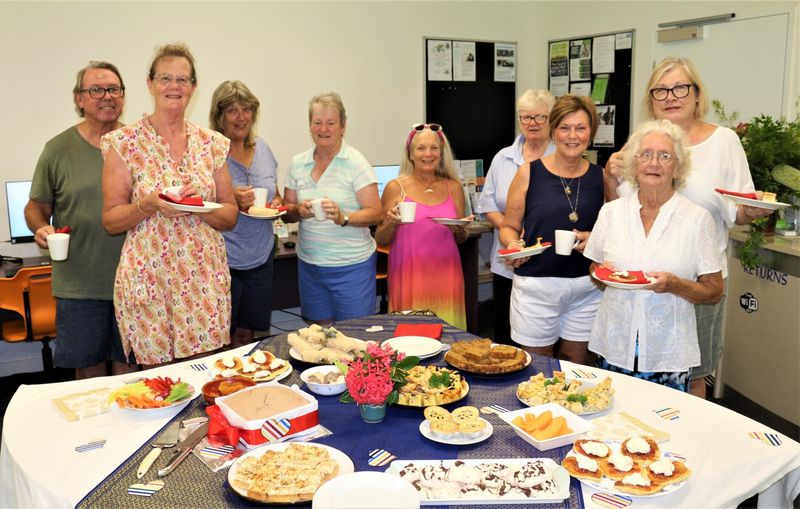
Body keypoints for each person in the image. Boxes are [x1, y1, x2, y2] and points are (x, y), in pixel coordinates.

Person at [603, 57, 772, 398]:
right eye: (661, 90)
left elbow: (737, 210)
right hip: (642, 284)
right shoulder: (642, 140)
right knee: (636, 368)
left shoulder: (723, 142)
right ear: (651, 99)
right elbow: (618, 207)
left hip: (699, 281)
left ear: (697, 94)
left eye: (680, 87)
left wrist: (752, 212)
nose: (671, 96)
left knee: (694, 374)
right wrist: (609, 175)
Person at [101, 43, 238, 366]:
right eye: (165, 78)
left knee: (204, 375)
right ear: (150, 84)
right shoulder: (124, 144)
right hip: (150, 278)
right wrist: (148, 205)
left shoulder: (212, 144)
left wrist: (201, 205)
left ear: (193, 88)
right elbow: (110, 220)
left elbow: (230, 213)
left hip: (202, 279)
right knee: (158, 383)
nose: (174, 86)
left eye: (182, 79)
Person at [585, 120, 723, 391]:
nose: (654, 163)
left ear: (678, 167)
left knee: (664, 427)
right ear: (634, 164)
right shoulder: (611, 213)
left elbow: (714, 290)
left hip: (668, 352)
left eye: (665, 156)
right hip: (615, 344)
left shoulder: (697, 219)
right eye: (646, 154)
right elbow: (595, 270)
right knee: (613, 422)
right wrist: (603, 274)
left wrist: (675, 285)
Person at [25, 61, 137, 379]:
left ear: (123, 96)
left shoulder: (139, 146)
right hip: (79, 286)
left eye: (114, 89)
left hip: (134, 282)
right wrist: (40, 227)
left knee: (131, 372)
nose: (107, 96)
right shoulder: (58, 150)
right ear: (79, 99)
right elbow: (35, 206)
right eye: (96, 89)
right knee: (88, 376)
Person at [498, 95, 604, 365]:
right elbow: (510, 226)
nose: (572, 136)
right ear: (553, 132)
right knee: (537, 365)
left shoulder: (601, 177)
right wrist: (513, 246)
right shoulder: (528, 173)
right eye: (564, 128)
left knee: (575, 364)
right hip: (537, 286)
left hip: (587, 286)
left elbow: (618, 230)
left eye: (580, 128)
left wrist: (596, 239)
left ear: (591, 132)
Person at [283, 92, 383, 324]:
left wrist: (343, 217)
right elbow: (287, 213)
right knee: (319, 339)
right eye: (317, 122)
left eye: (331, 123)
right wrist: (299, 209)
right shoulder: (298, 163)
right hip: (310, 266)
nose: (323, 129)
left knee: (354, 339)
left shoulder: (356, 163)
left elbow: (376, 213)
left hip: (351, 267)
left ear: (343, 126)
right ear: (310, 126)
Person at [476, 89, 555, 344]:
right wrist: (512, 233)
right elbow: (487, 204)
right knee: (505, 331)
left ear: (551, 119)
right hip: (508, 260)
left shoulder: (560, 157)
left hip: (548, 262)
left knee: (542, 336)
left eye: (540, 117)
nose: (532, 123)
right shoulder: (503, 158)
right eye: (526, 117)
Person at [375, 123, 468, 330]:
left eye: (434, 148)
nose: (428, 154)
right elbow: (381, 239)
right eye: (421, 148)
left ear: (441, 153)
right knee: (411, 340)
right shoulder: (395, 187)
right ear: (411, 153)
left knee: (449, 338)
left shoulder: (453, 187)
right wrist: (391, 221)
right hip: (409, 277)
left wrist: (460, 229)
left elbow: (461, 237)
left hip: (447, 276)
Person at [209, 80, 281, 348]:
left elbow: (275, 193)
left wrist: (275, 204)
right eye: (232, 110)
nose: (241, 117)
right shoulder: (211, 153)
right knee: (221, 336)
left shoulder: (263, 148)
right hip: (223, 258)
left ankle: (245, 384)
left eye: (247, 109)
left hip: (261, 256)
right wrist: (230, 200)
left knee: (248, 334)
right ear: (219, 116)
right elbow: (198, 203)